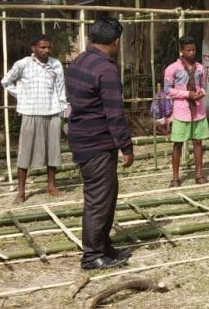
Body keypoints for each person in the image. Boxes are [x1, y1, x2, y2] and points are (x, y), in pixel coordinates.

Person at [66, 16, 134, 270]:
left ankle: (104, 246)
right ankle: (92, 255)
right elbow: (114, 114)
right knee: (98, 199)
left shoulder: (79, 61)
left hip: (83, 139)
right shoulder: (106, 69)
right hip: (97, 143)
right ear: (116, 41)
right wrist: (126, 147)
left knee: (106, 195)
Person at [1, 34, 68, 204]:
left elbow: (60, 89)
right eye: (42, 47)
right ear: (34, 48)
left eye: (48, 47)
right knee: (25, 152)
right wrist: (21, 95)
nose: (46, 50)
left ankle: (51, 186)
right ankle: (21, 192)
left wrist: (62, 109)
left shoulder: (56, 64)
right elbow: (6, 81)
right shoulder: (23, 64)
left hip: (52, 112)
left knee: (52, 151)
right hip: (30, 112)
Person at [164, 36, 209, 187]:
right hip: (181, 111)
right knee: (178, 144)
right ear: (181, 50)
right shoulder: (172, 69)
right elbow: (168, 90)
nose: (191, 53)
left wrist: (200, 92)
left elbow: (203, 85)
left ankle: (199, 174)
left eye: (193, 50)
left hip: (198, 110)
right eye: (188, 50)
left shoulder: (200, 68)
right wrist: (186, 94)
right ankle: (175, 178)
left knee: (198, 142)